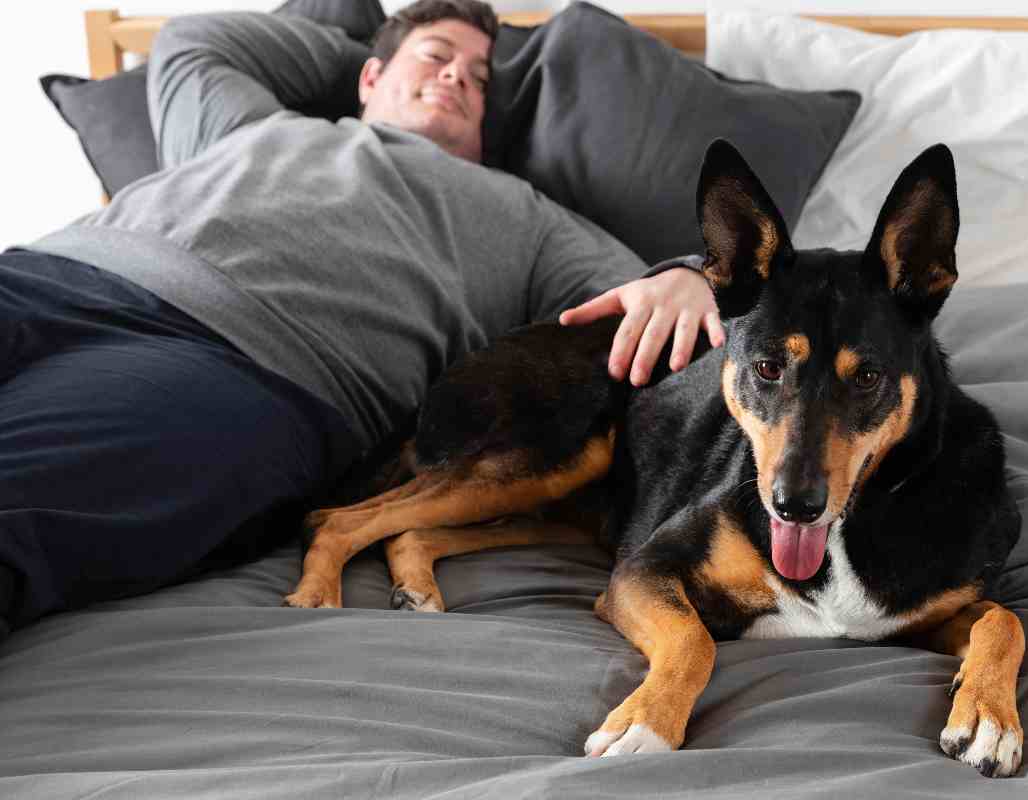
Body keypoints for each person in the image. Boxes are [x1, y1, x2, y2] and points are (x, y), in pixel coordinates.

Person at [0, 0, 722, 640]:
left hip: (230, 362)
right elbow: (195, 36)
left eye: (478, 81)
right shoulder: (257, 123)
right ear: (369, 78)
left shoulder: (529, 218)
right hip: (43, 276)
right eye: (437, 59)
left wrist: (687, 274)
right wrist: (370, 47)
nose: (457, 79)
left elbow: (638, 297)